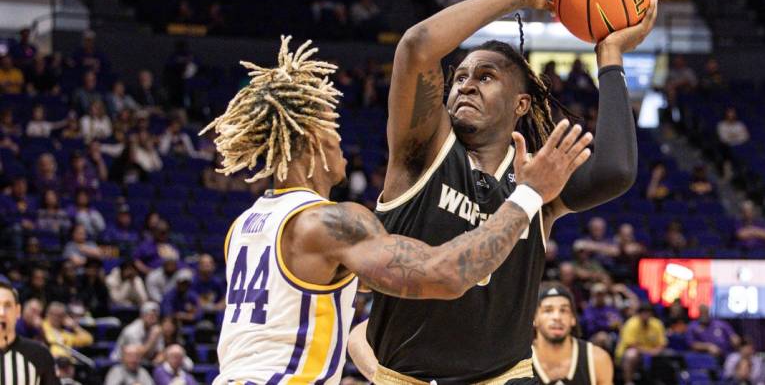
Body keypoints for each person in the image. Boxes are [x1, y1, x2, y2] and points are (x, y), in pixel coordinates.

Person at [201, 34, 592, 384]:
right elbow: (447, 274)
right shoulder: (333, 222)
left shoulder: (248, 224)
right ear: (313, 143)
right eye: (334, 135)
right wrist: (529, 195)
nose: (343, 149)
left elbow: (370, 291)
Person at [349, 0, 652, 380]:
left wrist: (610, 55)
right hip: (409, 377)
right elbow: (416, 46)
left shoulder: (538, 178)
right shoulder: (423, 152)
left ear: (522, 104)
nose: (466, 85)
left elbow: (616, 171)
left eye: (486, 76)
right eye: (461, 77)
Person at [531, 285, 613, 385]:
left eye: (563, 310)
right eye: (548, 310)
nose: (557, 317)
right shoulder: (521, 363)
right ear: (534, 319)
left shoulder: (597, 359)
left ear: (573, 318)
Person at [0, 281, 59, 385]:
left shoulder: (40, 354)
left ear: (18, 311)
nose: (1, 312)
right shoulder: (21, 327)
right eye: (32, 310)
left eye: (7, 305)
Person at [615, 303, 667, 385]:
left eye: (648, 312)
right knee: (631, 354)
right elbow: (631, 345)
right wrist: (649, 352)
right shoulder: (631, 324)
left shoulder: (657, 324)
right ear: (639, 314)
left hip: (650, 353)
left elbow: (662, 343)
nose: (646, 315)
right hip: (627, 353)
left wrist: (656, 351)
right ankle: (628, 382)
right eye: (643, 312)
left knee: (666, 355)